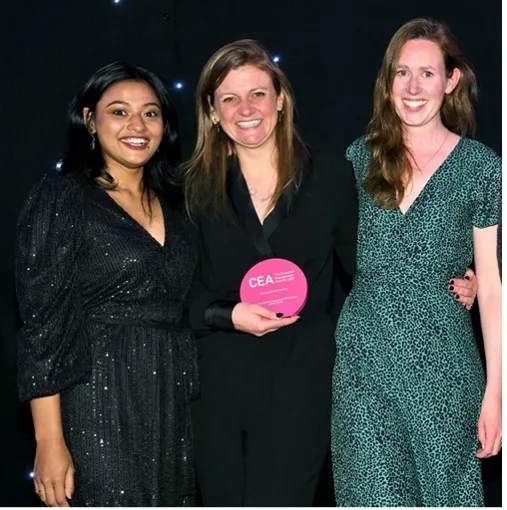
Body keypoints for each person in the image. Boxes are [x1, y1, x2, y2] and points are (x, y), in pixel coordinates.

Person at [183, 39, 477, 506]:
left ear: (280, 100)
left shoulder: (332, 175)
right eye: (229, 98)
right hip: (219, 387)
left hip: (304, 383)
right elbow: (181, 293)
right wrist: (226, 314)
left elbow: (379, 258)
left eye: (258, 94)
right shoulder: (192, 189)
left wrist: (462, 275)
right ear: (213, 112)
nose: (246, 109)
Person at [330, 18, 502, 507]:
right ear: (387, 82)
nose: (412, 87)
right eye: (401, 73)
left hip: (445, 367)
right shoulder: (356, 160)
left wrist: (497, 395)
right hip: (363, 366)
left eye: (427, 73)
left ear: (451, 81)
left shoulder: (481, 166)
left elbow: (491, 287)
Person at [15, 61, 197, 507]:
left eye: (151, 113)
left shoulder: (179, 206)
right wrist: (49, 440)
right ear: (88, 119)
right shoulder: (63, 197)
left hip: (175, 399)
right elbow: (42, 326)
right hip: (97, 396)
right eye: (119, 111)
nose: (137, 125)